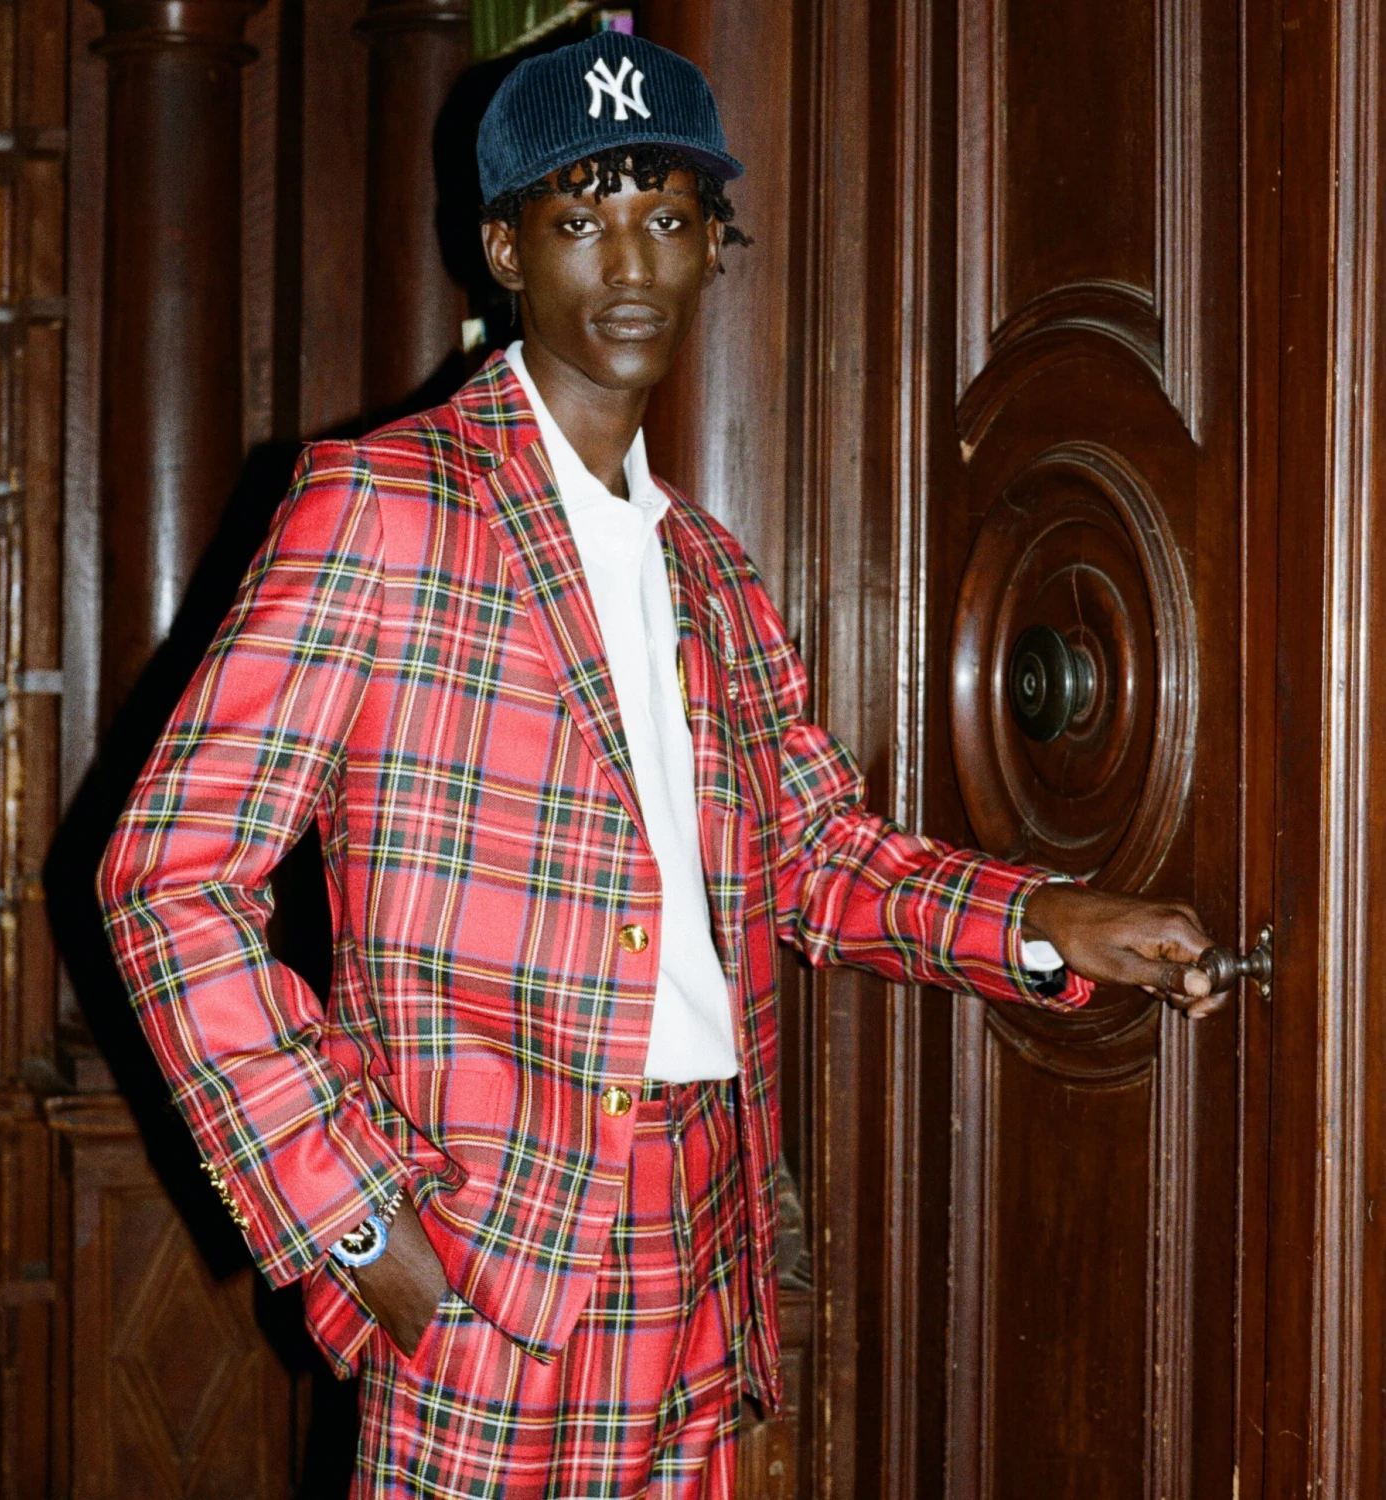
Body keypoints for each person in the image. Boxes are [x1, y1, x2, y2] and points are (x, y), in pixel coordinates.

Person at [98, 32, 1221, 1499]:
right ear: (505, 249)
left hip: (707, 1225)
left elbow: (818, 858)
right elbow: (165, 881)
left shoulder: (710, 570)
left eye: (670, 218)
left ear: (710, 252)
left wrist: (1043, 921)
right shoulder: (382, 510)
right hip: (488, 1250)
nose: (630, 263)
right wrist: (354, 1222)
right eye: (581, 219)